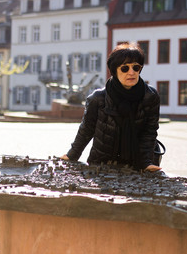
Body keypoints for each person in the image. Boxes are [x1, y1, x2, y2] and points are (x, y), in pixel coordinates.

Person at [61, 43, 161, 172]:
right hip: (102, 163)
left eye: (136, 67)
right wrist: (72, 155)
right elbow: (86, 130)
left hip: (138, 164)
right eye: (125, 68)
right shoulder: (98, 98)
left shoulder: (150, 96)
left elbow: (150, 131)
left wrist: (146, 162)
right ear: (114, 71)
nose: (132, 72)